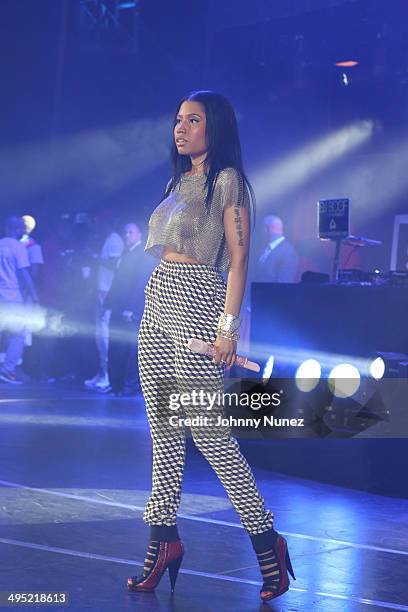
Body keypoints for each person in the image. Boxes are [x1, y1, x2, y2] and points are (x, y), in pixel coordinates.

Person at [126, 91, 295, 602]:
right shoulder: (179, 181)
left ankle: (268, 542)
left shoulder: (228, 181)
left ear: (214, 128)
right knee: (164, 433)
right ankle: (163, 542)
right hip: (158, 301)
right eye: (178, 119)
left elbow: (239, 259)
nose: (181, 128)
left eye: (193, 120)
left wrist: (228, 328)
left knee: (210, 435)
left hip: (201, 301)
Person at [104, 223, 148, 395]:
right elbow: (117, 281)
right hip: (118, 307)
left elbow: (140, 283)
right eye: (125, 232)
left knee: (129, 349)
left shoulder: (142, 255)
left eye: (131, 232)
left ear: (139, 234)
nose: (127, 235)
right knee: (116, 346)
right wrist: (107, 303)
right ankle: (116, 384)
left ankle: (128, 385)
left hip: (129, 310)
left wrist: (131, 308)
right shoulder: (127, 253)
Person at [84, 213, 124, 392]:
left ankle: (107, 375)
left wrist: (95, 257)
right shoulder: (108, 238)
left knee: (105, 336)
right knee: (99, 336)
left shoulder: (114, 239)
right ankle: (101, 373)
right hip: (101, 292)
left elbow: (115, 264)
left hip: (108, 293)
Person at [0, 216, 38, 384]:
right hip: (12, 297)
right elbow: (24, 273)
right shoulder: (18, 247)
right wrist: (34, 294)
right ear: (16, 229)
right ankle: (7, 370)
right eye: (22, 227)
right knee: (18, 335)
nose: (24, 231)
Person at [252, 215, 299, 283]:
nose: (261, 231)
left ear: (271, 228)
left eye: (262, 228)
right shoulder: (264, 248)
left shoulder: (288, 252)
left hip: (270, 293)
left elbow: (283, 284)